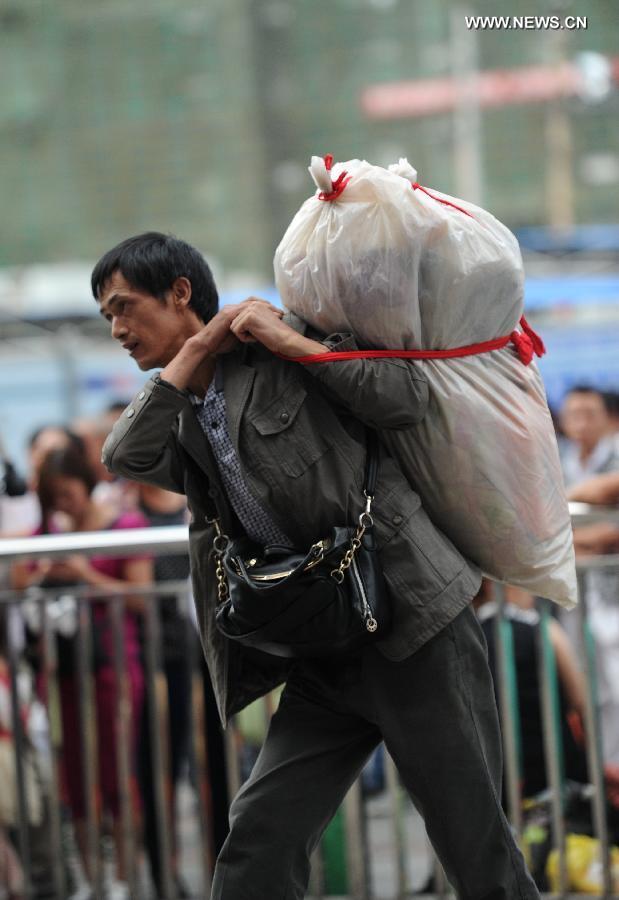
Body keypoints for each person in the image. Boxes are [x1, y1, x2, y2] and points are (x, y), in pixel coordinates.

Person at [95, 231, 540, 898]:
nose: (118, 329)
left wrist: (292, 346)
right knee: (258, 842)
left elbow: (402, 400)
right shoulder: (180, 412)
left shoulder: (283, 344)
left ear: (180, 291)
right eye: (107, 318)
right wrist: (196, 348)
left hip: (411, 627)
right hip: (322, 649)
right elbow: (123, 456)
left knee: (472, 847)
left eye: (125, 307)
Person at [11, 447, 152, 900]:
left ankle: (127, 880)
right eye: (55, 499)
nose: (64, 505)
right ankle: (91, 881)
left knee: (119, 779)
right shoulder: (47, 531)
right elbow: (18, 578)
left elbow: (140, 597)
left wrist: (82, 573)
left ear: (85, 484)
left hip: (114, 669)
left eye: (68, 494)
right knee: (75, 781)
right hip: (64, 676)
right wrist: (42, 573)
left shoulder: (124, 526)